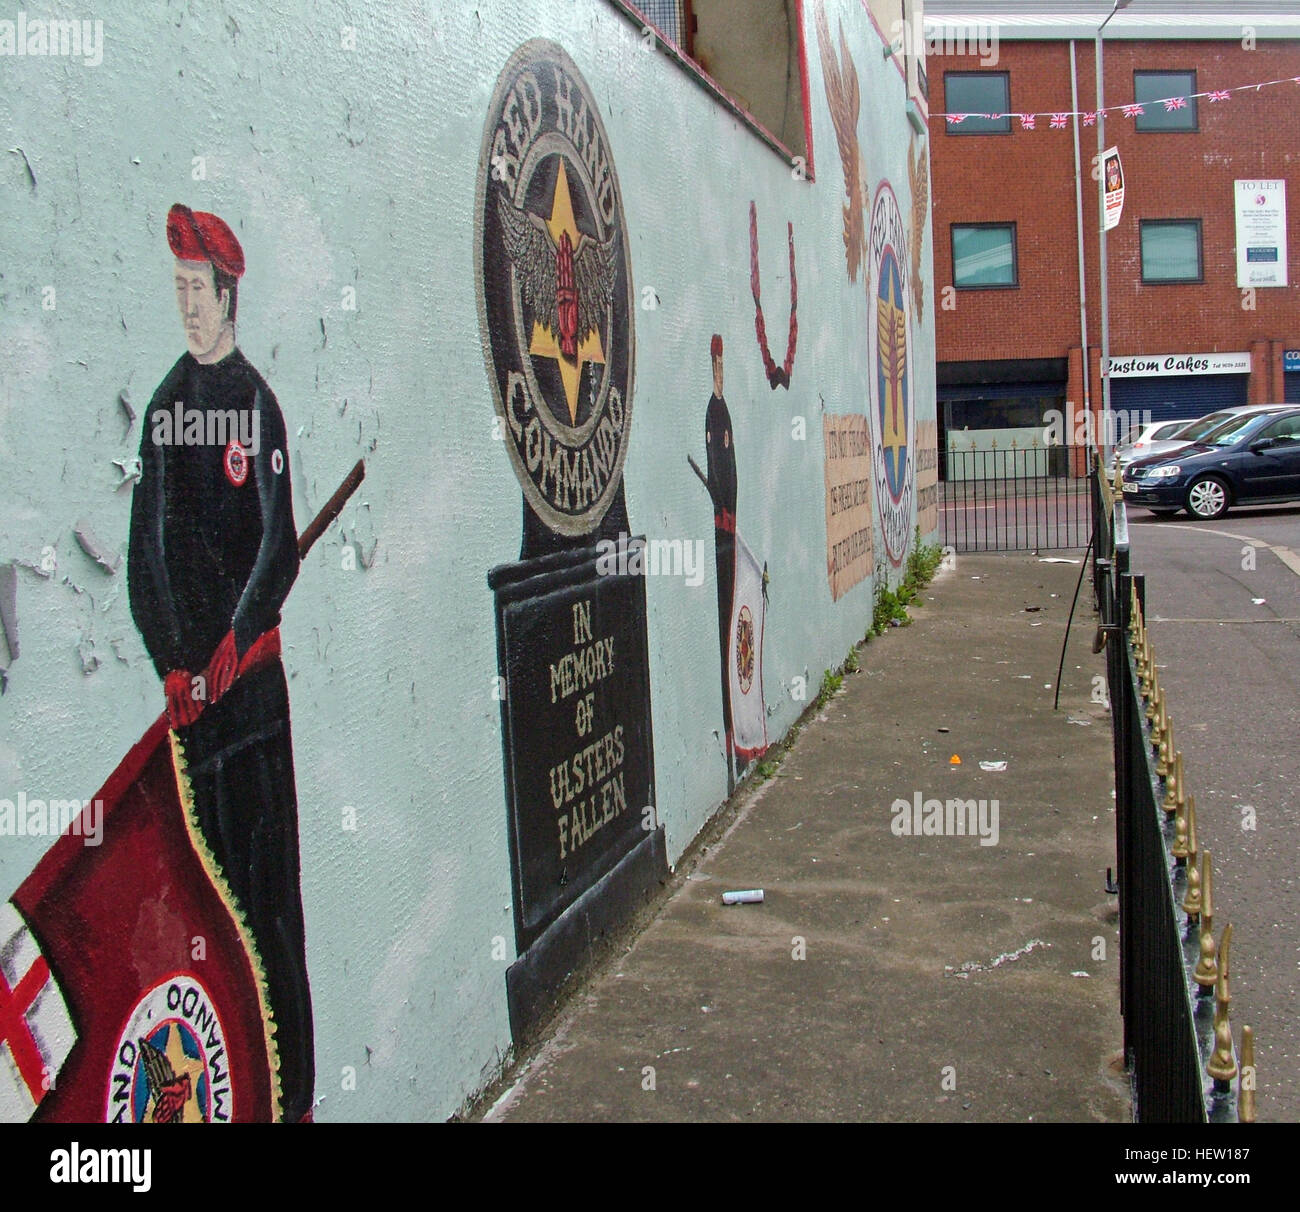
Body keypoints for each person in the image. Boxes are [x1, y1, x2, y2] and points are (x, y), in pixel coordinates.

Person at [126, 203, 314, 1122]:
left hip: (254, 702)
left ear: (229, 294)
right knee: (215, 914)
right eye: (177, 291)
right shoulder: (164, 411)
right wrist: (173, 661)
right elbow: (144, 559)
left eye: (198, 291)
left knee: (272, 904)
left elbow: (279, 542)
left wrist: (240, 639)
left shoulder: (255, 404)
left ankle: (300, 1099)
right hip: (193, 716)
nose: (187, 307)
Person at [704, 334, 738, 792]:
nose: (718, 372)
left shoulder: (723, 411)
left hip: (728, 522)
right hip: (720, 528)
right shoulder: (712, 415)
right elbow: (718, 463)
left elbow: (731, 470)